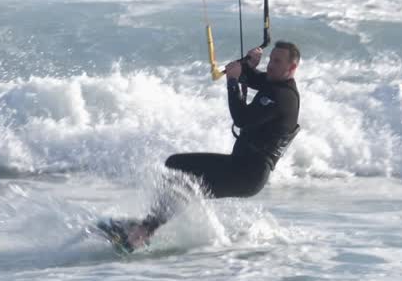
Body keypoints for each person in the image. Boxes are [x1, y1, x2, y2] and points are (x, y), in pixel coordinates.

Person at [115, 40, 302, 250]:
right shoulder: (274, 83)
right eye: (270, 59)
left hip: (248, 175)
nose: (270, 65)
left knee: (183, 178)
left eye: (277, 61)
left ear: (292, 68)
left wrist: (233, 83)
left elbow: (241, 118)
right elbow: (240, 73)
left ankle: (141, 233)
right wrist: (247, 63)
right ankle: (145, 228)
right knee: (177, 168)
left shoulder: (283, 96)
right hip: (239, 166)